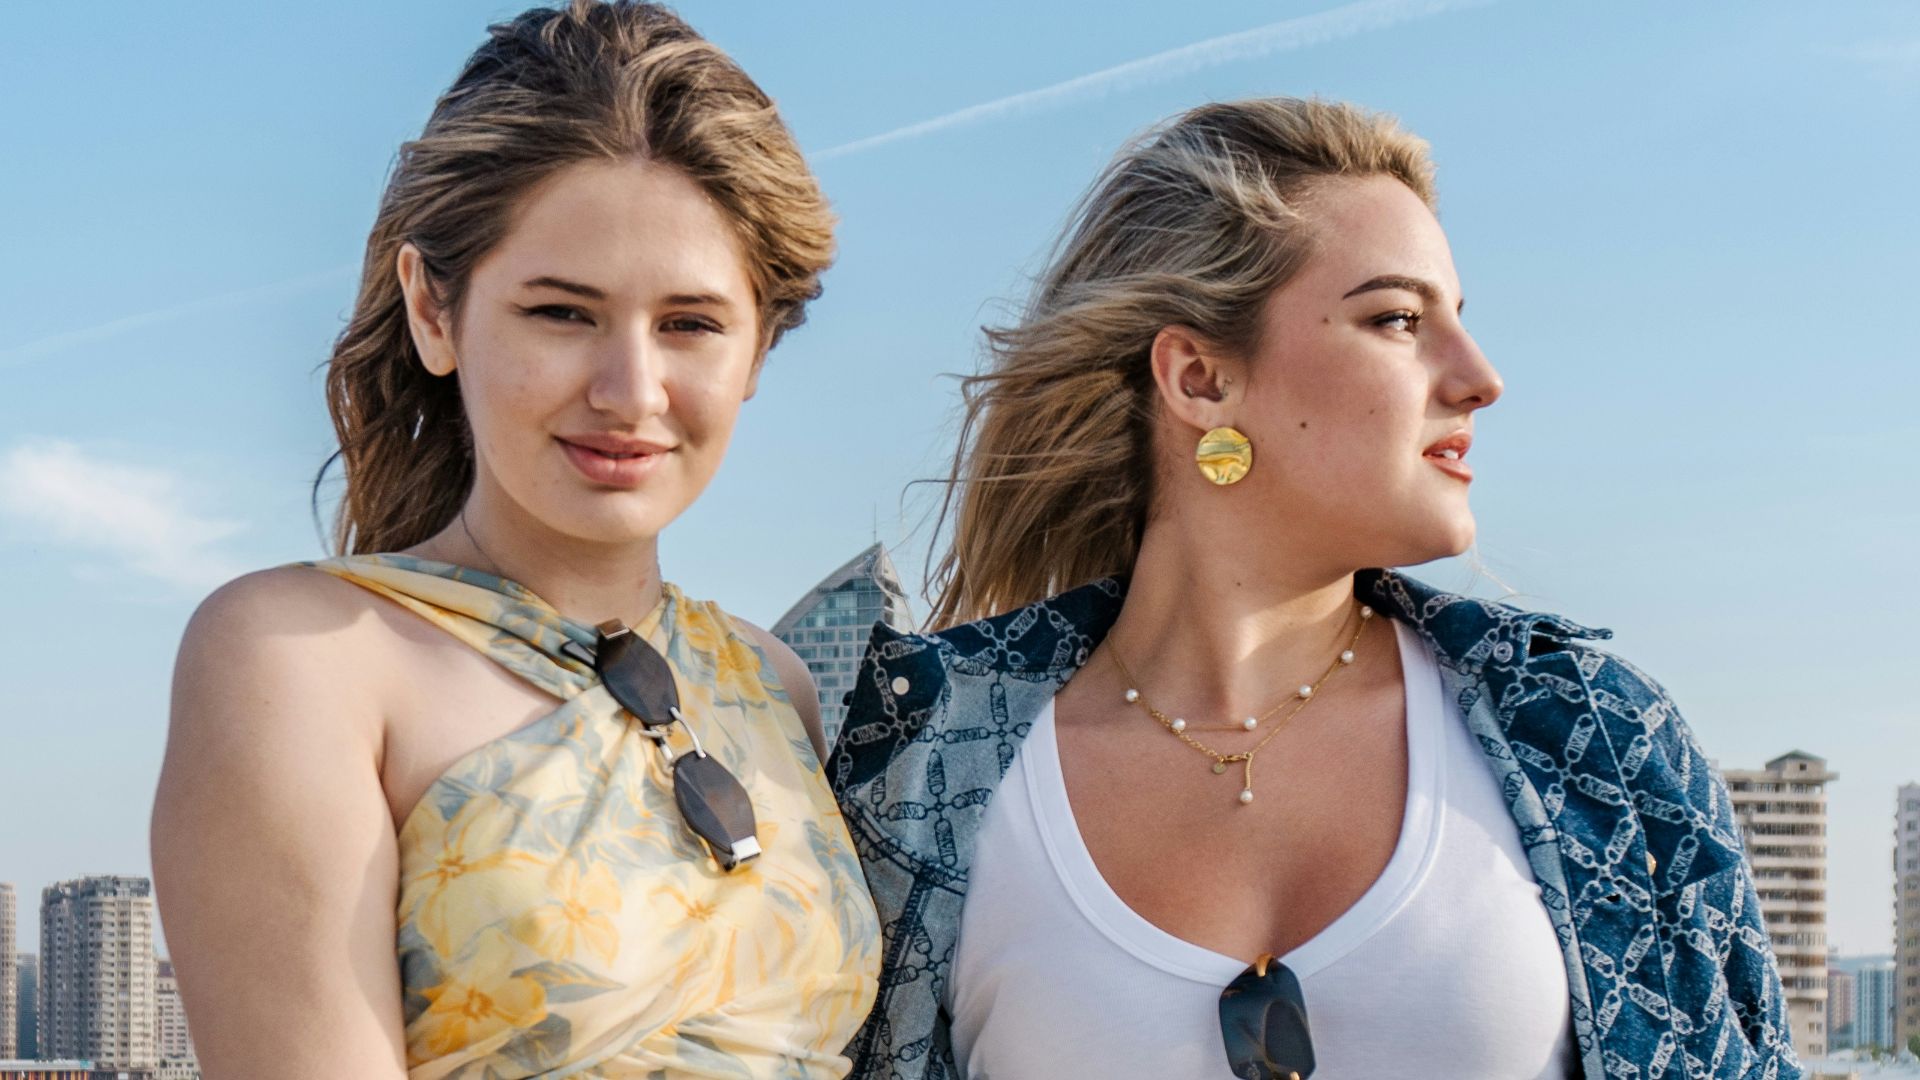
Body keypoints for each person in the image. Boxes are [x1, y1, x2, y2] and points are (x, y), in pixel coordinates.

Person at [829, 98, 1797, 1079]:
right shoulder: (923, 763)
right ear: (1201, 378)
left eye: (1458, 321)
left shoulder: (1602, 743)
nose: (1479, 378)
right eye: (1399, 319)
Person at [150, 4, 878, 1076]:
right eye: (563, 314)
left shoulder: (776, 685)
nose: (631, 393)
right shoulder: (301, 663)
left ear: (759, 350)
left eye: (690, 324)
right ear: (433, 313)